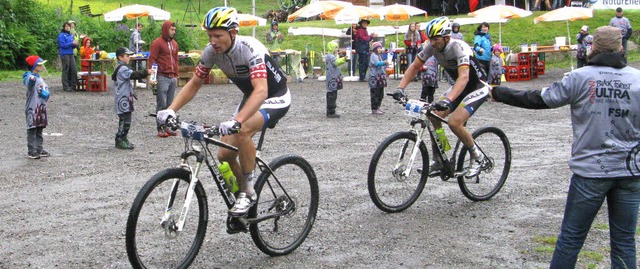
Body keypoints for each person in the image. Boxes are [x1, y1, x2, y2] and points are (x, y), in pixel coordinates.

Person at [491, 26, 640, 269]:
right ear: (621, 47)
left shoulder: (580, 77)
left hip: (590, 172)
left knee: (571, 238)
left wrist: (499, 92)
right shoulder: (637, 79)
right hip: (630, 172)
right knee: (624, 241)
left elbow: (539, 99)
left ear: (592, 47)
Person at [156, 7, 291, 217]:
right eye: (210, 35)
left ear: (233, 32)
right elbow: (194, 83)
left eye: (218, 35)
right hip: (252, 96)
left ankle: (248, 192)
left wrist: (237, 121)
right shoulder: (211, 53)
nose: (213, 41)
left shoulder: (249, 48)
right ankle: (241, 198)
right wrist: (170, 109)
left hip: (275, 96)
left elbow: (262, 90)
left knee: (242, 129)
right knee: (224, 154)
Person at [392, 16, 490, 177]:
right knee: (434, 117)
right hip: (459, 88)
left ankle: (477, 157)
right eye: (430, 39)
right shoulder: (432, 47)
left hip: (476, 87)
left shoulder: (459, 48)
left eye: (436, 39)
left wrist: (449, 100)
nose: (432, 43)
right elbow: (415, 66)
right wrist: (400, 88)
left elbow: (464, 77)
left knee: (454, 122)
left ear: (446, 37)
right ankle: (440, 158)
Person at [112, 47, 152, 150]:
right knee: (125, 120)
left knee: (126, 119)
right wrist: (146, 72)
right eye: (127, 56)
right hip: (123, 99)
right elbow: (134, 75)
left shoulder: (120, 67)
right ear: (120, 57)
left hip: (125, 98)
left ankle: (123, 138)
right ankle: (120, 139)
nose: (129, 57)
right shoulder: (122, 68)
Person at [148, 20, 180, 138]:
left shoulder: (175, 44)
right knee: (161, 103)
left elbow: (176, 60)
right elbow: (152, 59)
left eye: (175, 30)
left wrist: (176, 73)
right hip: (162, 76)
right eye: (172, 30)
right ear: (166, 30)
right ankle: (160, 128)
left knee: (170, 105)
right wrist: (152, 77)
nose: (173, 32)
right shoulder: (157, 43)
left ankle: (168, 127)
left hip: (172, 77)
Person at [22, 55, 50, 159]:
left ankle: (39, 148)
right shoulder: (29, 77)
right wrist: (32, 81)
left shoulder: (39, 77)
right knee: (32, 129)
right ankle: (32, 150)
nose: (41, 66)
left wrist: (47, 93)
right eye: (39, 65)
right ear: (34, 66)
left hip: (41, 107)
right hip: (32, 107)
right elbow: (29, 84)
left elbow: (45, 89)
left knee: (39, 128)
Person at [324, 40, 346, 118]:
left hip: (331, 77)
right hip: (332, 77)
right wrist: (344, 59)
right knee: (332, 95)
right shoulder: (331, 56)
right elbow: (336, 62)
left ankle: (330, 110)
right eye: (335, 47)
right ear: (332, 48)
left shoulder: (328, 56)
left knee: (331, 94)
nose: (337, 49)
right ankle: (331, 112)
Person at [57, 21, 78, 92]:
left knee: (74, 70)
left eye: (68, 26)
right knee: (66, 70)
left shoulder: (71, 35)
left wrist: (75, 45)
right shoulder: (61, 35)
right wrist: (71, 43)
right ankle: (65, 87)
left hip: (71, 53)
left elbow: (71, 46)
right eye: (66, 26)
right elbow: (62, 45)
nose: (68, 27)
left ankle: (73, 85)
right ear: (64, 27)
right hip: (64, 54)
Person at [368, 41, 388, 115]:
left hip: (380, 77)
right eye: (378, 48)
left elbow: (382, 65)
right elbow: (376, 63)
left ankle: (378, 106)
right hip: (374, 77)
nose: (379, 49)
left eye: (380, 48)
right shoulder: (373, 56)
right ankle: (374, 108)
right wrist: (384, 62)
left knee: (380, 93)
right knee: (375, 93)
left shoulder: (379, 56)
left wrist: (385, 64)